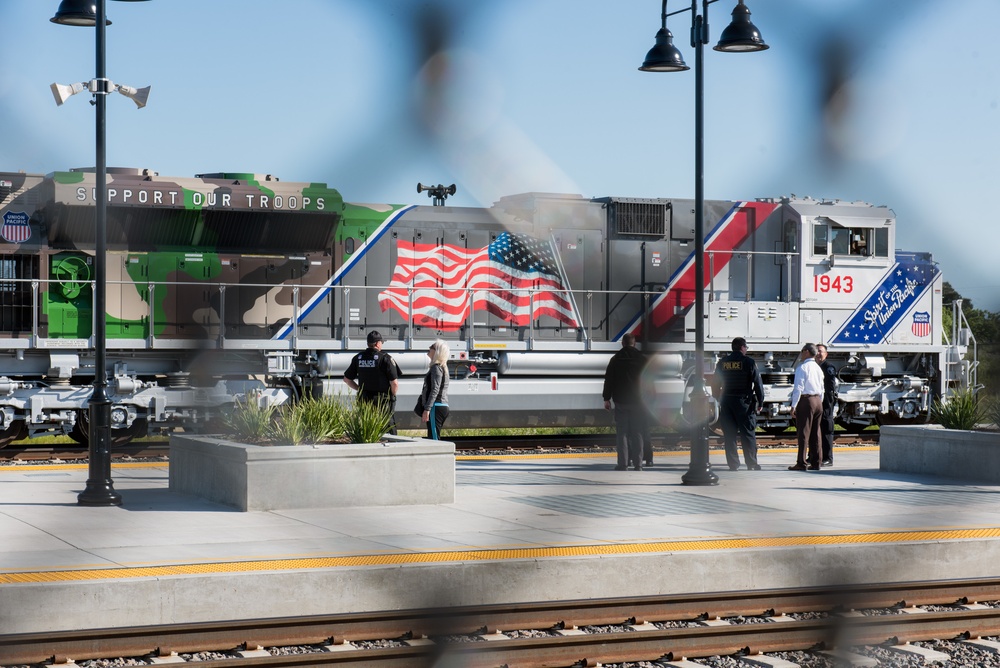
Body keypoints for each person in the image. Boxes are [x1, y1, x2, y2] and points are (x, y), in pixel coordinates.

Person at [711, 337, 765, 471]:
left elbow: (715, 382)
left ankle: (733, 464)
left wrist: (717, 398)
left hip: (727, 401)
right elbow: (758, 383)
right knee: (748, 434)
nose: (746, 349)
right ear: (742, 347)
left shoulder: (722, 362)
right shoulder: (749, 362)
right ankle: (751, 464)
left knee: (729, 435)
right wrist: (760, 400)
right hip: (744, 402)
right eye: (746, 347)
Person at [343, 330, 401, 434]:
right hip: (382, 400)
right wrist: (392, 395)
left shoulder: (358, 358)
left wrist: (360, 389)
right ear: (378, 343)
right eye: (381, 342)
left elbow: (347, 379)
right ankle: (393, 447)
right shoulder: (385, 359)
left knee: (367, 428)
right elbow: (395, 383)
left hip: (364, 398)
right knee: (388, 426)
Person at [602, 333, 646, 471]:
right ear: (634, 343)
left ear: (623, 343)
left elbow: (609, 380)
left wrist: (606, 398)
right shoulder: (642, 359)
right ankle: (638, 464)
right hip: (638, 401)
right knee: (638, 432)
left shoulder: (615, 359)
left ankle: (623, 464)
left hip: (621, 401)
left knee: (622, 433)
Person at [788, 343, 825, 471]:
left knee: (803, 432)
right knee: (816, 432)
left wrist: (794, 405)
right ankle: (816, 462)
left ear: (807, 352)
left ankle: (801, 462)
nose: (801, 353)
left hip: (806, 400)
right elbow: (822, 388)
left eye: (802, 351)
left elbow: (798, 388)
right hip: (817, 401)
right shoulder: (817, 368)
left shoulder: (802, 367)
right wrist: (819, 401)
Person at [420, 339, 450, 439]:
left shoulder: (436, 368)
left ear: (437, 351)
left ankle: (439, 454)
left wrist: (427, 409)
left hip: (436, 406)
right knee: (434, 435)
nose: (429, 348)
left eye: (432, 346)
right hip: (440, 405)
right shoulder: (442, 367)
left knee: (434, 438)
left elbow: (435, 389)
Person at [815, 343, 838, 467]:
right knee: (816, 430)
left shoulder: (828, 367)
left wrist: (826, 404)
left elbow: (830, 388)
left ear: (826, 354)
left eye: (821, 351)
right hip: (818, 402)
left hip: (826, 403)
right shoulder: (815, 366)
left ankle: (828, 458)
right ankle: (815, 456)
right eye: (817, 351)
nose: (818, 354)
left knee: (826, 430)